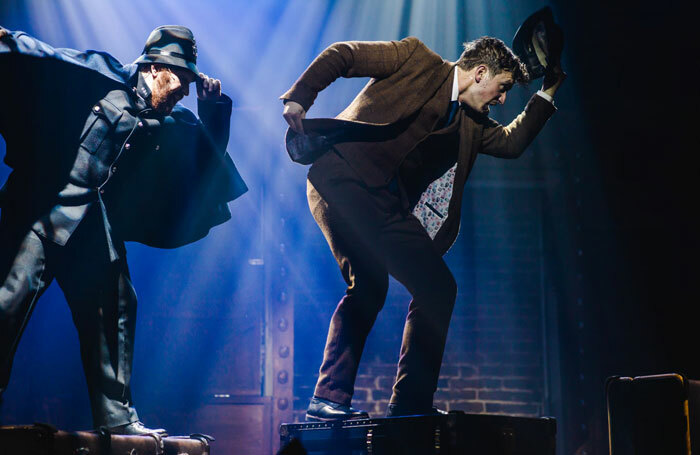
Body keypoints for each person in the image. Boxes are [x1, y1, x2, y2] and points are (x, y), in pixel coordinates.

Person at [281, 35, 565, 421]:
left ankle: (377, 402)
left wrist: (548, 91)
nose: (501, 100)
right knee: (393, 284)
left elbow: (512, 143)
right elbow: (343, 55)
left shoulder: (471, 121)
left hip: (384, 206)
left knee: (418, 288)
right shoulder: (416, 58)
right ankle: (354, 399)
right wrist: (301, 95)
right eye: (502, 89)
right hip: (340, 178)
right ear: (481, 73)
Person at [0, 25, 247, 434]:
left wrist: (212, 111)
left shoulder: (173, 122)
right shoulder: (102, 75)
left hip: (92, 225)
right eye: (182, 79)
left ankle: (117, 420)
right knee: (8, 300)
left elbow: (205, 166)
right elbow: (43, 57)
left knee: (116, 307)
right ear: (155, 69)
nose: (185, 89)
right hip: (39, 209)